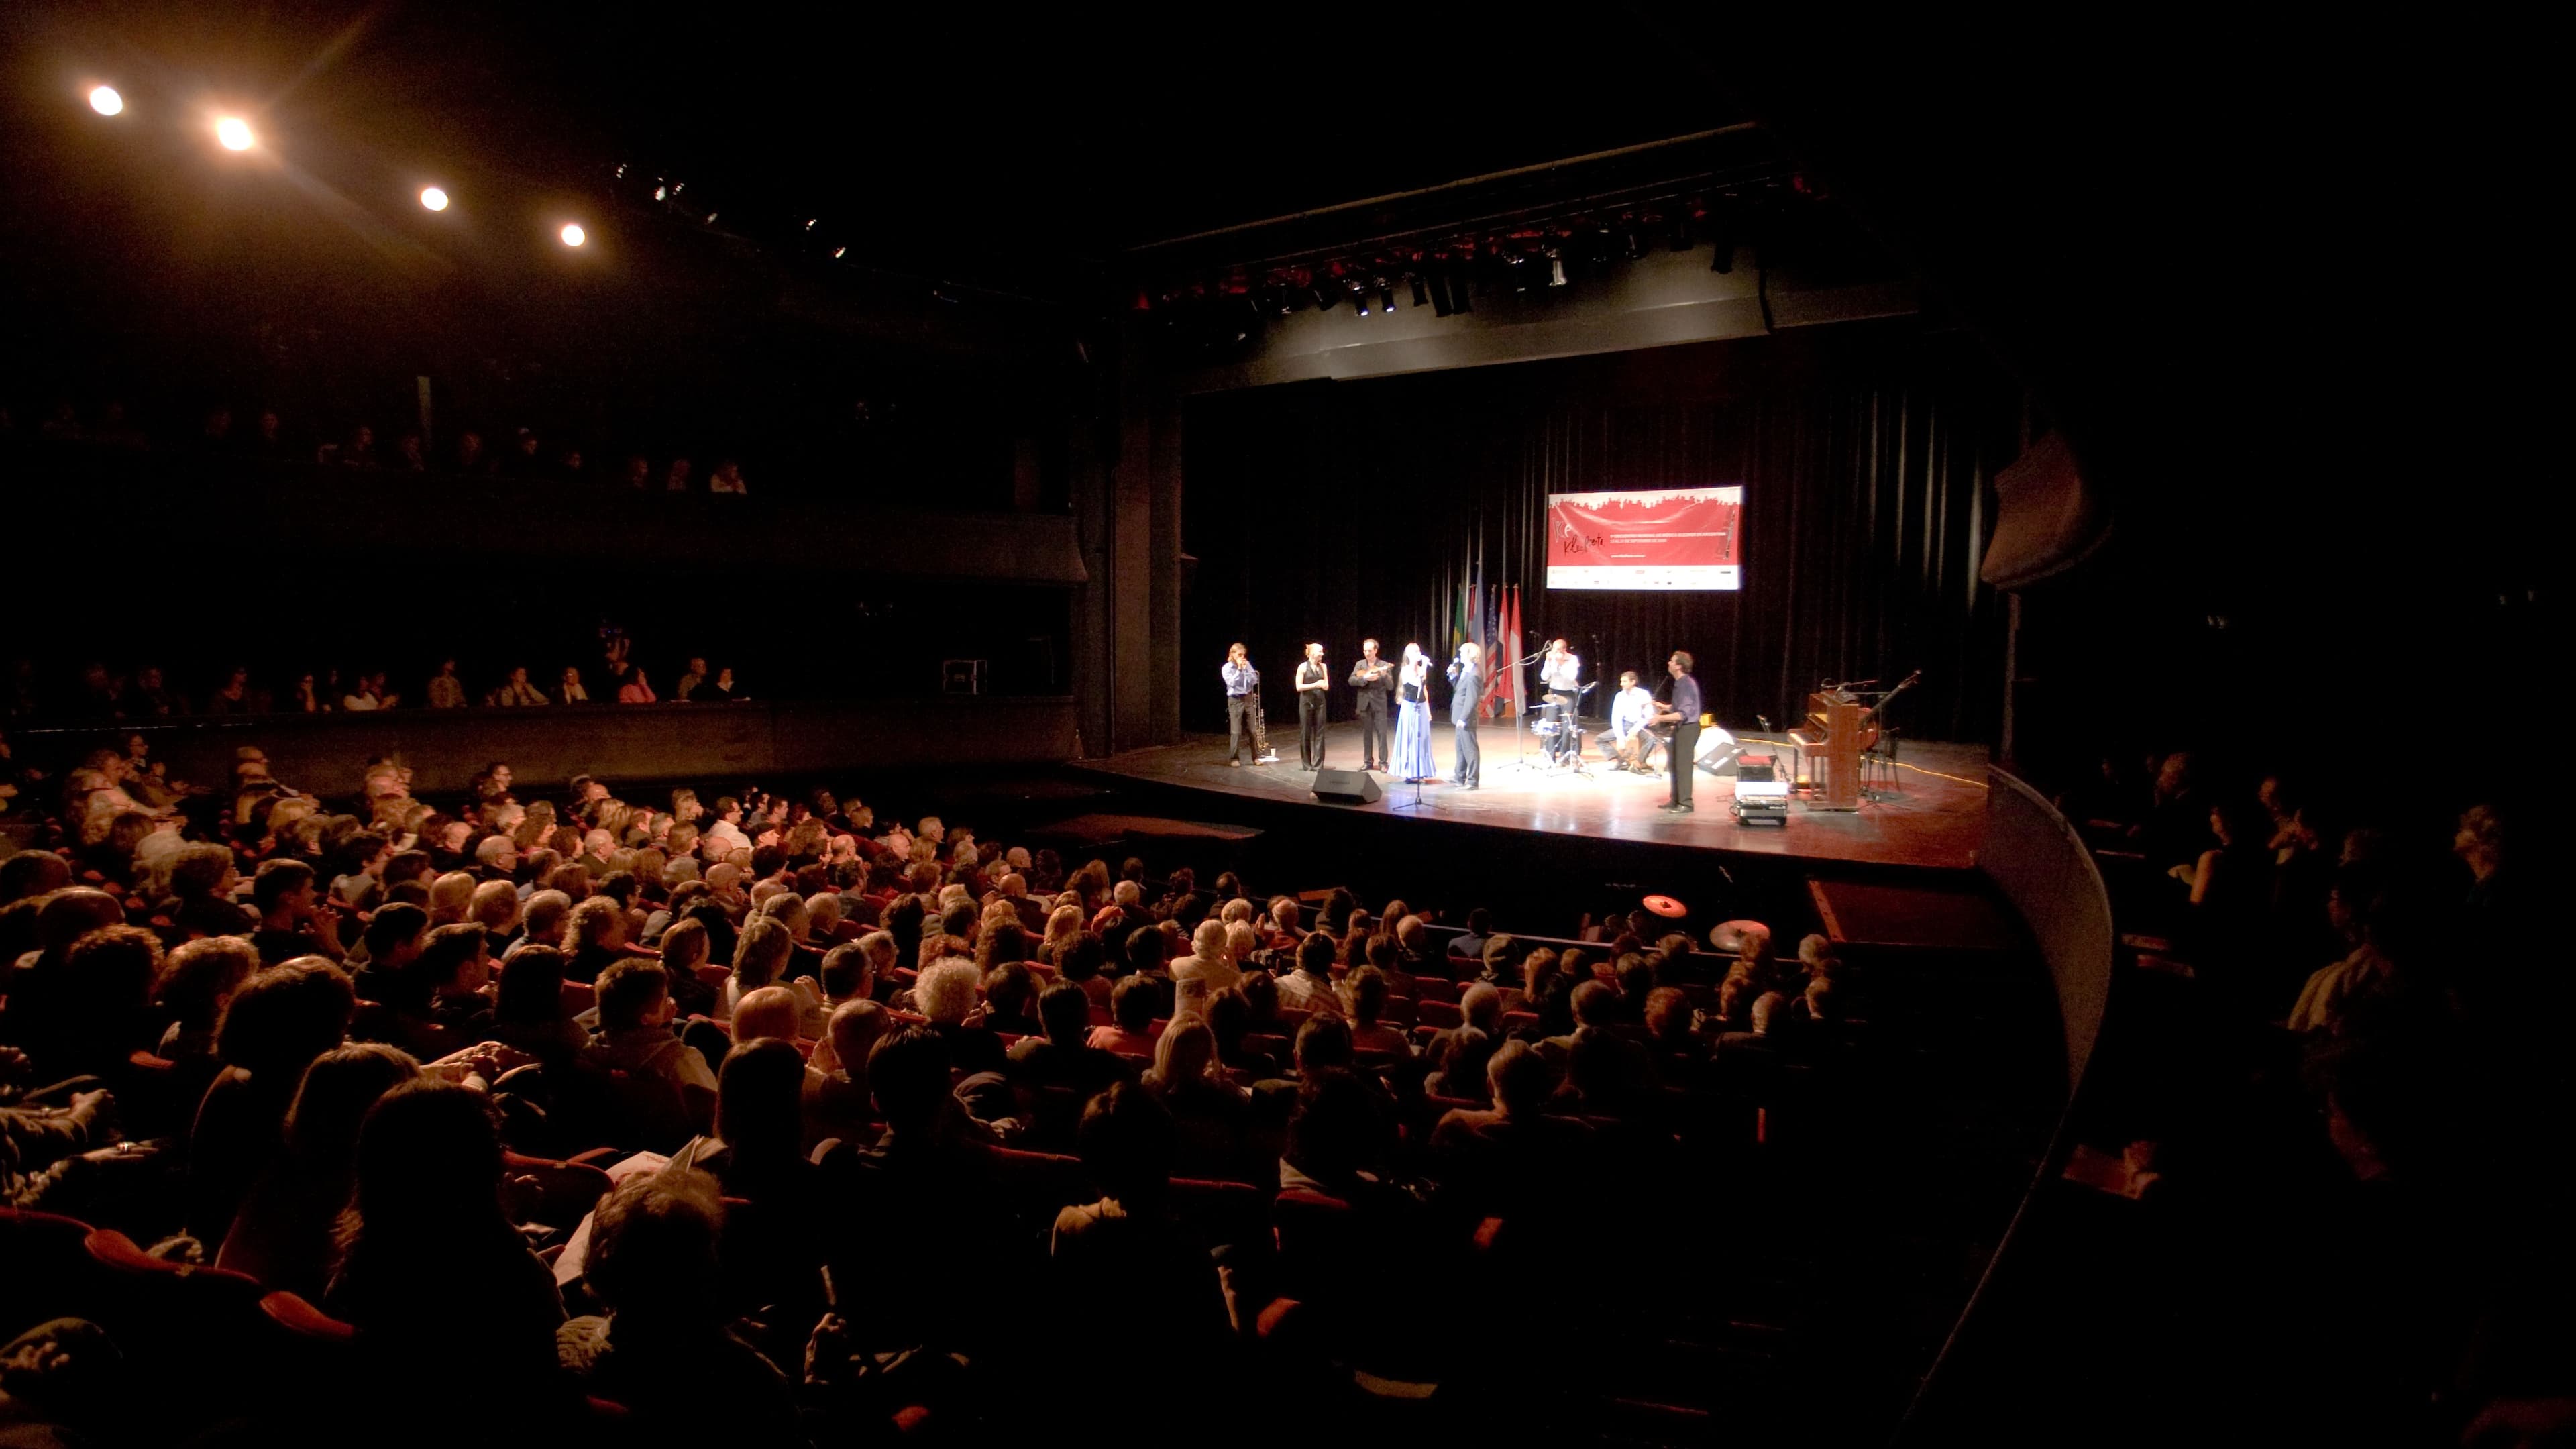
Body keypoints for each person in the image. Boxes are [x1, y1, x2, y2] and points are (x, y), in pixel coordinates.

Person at [1654, 651, 1703, 813]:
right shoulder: (1680, 683)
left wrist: (1659, 719)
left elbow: (1684, 714)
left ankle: (1686, 803)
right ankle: (1675, 799)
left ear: (1679, 666)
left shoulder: (1686, 684)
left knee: (1683, 766)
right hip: (1682, 727)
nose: (1669, 663)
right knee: (1674, 764)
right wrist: (1666, 707)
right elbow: (1679, 708)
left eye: (1672, 661)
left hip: (1688, 728)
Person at [1221, 643, 1275, 767]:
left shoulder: (1247, 665)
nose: (1242, 658)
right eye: (1239, 655)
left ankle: (1255, 757)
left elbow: (1254, 680)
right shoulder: (1227, 668)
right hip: (1235, 700)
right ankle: (1234, 758)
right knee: (1236, 731)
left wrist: (1245, 670)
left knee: (1252, 730)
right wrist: (1240, 670)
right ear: (1232, 655)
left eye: (1243, 655)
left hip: (1248, 699)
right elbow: (1232, 683)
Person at [1391, 643, 1437, 784]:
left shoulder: (1422, 670)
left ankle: (1421, 770)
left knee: (1422, 738)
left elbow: (1424, 690)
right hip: (1410, 707)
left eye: (1419, 651)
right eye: (1415, 652)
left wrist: (1428, 710)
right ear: (1409, 655)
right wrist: (1422, 670)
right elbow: (1415, 685)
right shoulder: (1405, 671)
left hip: (1421, 707)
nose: (1418, 653)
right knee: (1410, 737)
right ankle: (1409, 772)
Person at [1348, 637, 1393, 772]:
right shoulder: (1360, 664)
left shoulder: (1383, 665)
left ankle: (1383, 762)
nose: (1367, 653)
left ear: (1375, 651)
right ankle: (1368, 762)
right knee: (1367, 735)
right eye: (1365, 650)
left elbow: (1390, 686)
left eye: (1370, 650)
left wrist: (1384, 676)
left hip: (1379, 704)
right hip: (1365, 704)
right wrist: (1364, 678)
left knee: (1382, 734)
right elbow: (1351, 680)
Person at [1446, 641, 1483, 788]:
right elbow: (1460, 690)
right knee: (1460, 748)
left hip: (1465, 718)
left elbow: (1472, 699)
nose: (1460, 655)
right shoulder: (1467, 670)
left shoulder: (1474, 674)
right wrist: (1454, 677)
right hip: (1459, 715)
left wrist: (1464, 718)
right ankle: (1459, 777)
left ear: (1469, 655)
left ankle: (1473, 780)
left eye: (1462, 653)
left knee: (1470, 749)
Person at [1541, 638, 1583, 764]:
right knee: (1551, 725)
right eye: (1554, 649)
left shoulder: (1572, 659)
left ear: (1565, 650)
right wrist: (1549, 663)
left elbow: (1572, 677)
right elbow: (1544, 676)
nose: (1555, 652)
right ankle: (1550, 756)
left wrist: (1561, 664)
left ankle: (1565, 756)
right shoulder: (1551, 658)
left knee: (1567, 725)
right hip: (1554, 692)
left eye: (1558, 649)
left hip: (1568, 694)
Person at [1608, 669, 1659, 773]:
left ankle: (1637, 764)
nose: (1621, 684)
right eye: (1621, 681)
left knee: (1652, 739)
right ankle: (1622, 761)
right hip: (1626, 724)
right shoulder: (1620, 696)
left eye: (1624, 681)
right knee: (1601, 739)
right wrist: (1620, 737)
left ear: (1633, 682)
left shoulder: (1643, 694)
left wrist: (1635, 729)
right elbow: (1616, 717)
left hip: (1640, 725)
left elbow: (1648, 715)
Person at [1293, 641, 1331, 769]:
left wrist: (1321, 684)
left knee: (1320, 732)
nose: (1322, 654)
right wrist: (1315, 685)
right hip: (1306, 702)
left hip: (1320, 702)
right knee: (1306, 733)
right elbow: (1299, 687)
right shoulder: (1302, 667)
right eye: (1320, 651)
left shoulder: (1323, 667)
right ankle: (1307, 764)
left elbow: (1326, 686)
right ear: (1313, 653)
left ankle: (1318, 764)